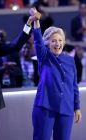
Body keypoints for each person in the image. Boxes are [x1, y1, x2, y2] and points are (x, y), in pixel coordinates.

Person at [30, 8, 82, 140]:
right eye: (53, 41)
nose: (57, 44)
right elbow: (37, 41)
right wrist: (36, 21)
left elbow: (73, 85)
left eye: (60, 40)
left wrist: (77, 107)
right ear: (47, 43)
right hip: (45, 107)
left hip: (66, 108)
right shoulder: (44, 56)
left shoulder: (70, 60)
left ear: (64, 42)